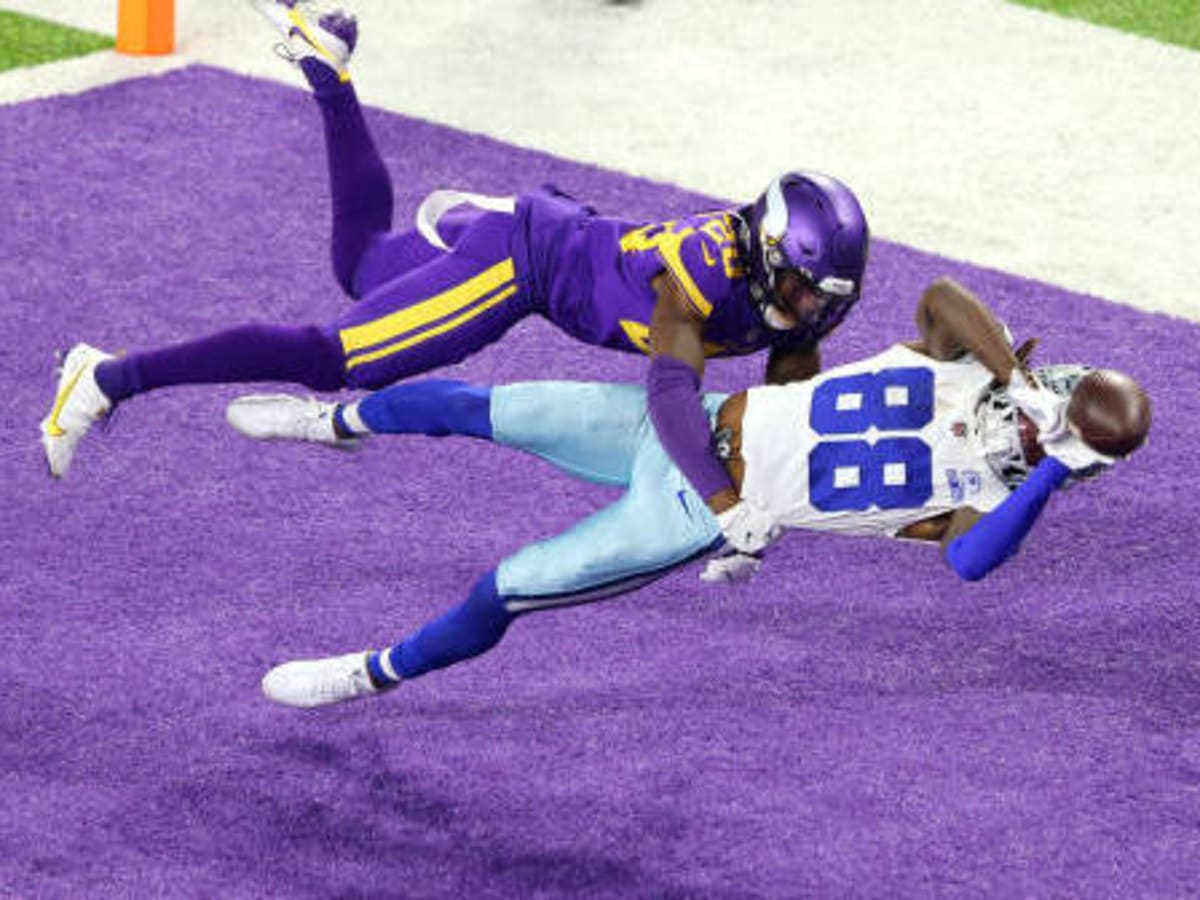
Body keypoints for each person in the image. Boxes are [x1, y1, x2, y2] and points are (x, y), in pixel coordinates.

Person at [39, 0, 870, 555]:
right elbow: (668, 397)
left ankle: (330, 75)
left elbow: (787, 393)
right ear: (764, 250)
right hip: (524, 265)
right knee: (341, 359)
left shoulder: (802, 296)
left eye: (819, 300)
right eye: (798, 289)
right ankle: (109, 377)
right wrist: (726, 509)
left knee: (359, 261)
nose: (802, 309)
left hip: (558, 235)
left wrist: (794, 478)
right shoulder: (699, 278)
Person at [222, 276, 1149, 708]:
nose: (1028, 424)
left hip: (691, 514)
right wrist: (1012, 378)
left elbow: (970, 565)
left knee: (505, 586)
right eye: (1043, 407)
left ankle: (376, 672)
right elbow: (944, 299)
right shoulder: (966, 365)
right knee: (485, 404)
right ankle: (333, 424)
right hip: (687, 421)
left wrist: (1056, 469)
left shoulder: (985, 497)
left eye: (1051, 434)